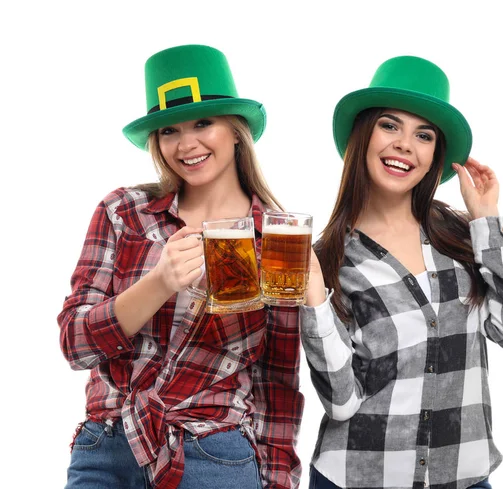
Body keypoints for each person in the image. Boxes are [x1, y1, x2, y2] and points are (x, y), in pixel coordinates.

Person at [58, 44, 304, 489]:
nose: (186, 144)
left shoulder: (277, 238)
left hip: (213, 454)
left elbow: (278, 382)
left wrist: (278, 480)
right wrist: (159, 283)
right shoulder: (125, 213)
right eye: (169, 130)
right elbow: (74, 344)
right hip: (108, 447)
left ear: (235, 129)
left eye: (203, 123)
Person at [300, 56, 503, 489]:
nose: (405, 144)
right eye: (390, 126)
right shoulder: (328, 259)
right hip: (357, 476)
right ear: (362, 136)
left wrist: (488, 220)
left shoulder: (465, 236)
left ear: (434, 156)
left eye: (423, 135)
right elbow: (341, 402)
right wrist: (315, 300)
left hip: (463, 474)